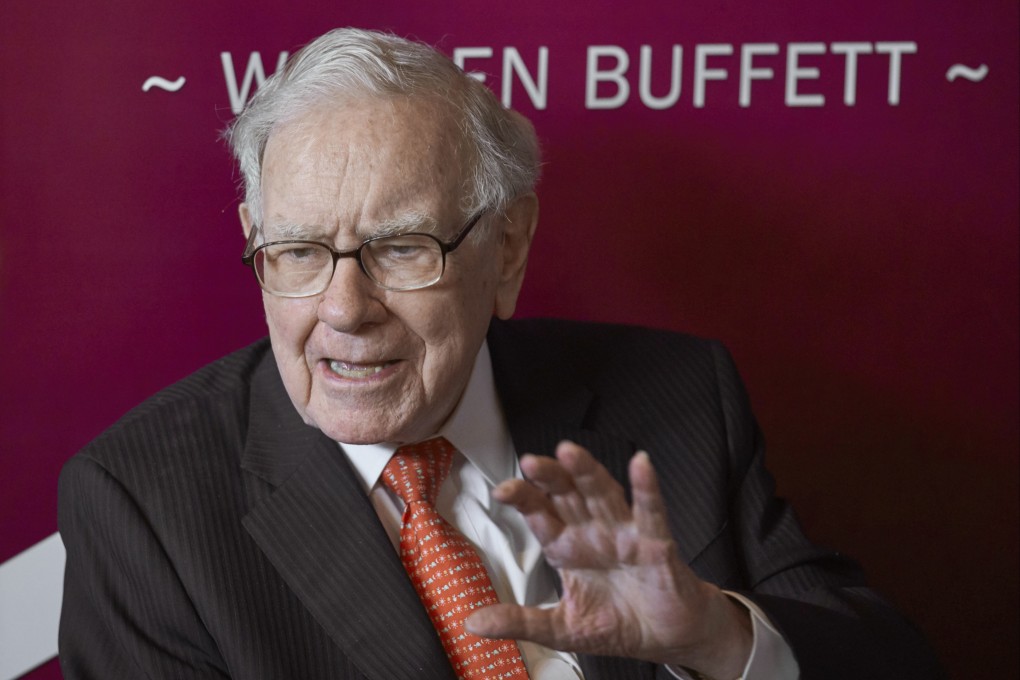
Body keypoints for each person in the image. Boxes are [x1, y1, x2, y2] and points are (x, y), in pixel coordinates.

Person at [58, 27, 942, 680]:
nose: (342, 310)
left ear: (508, 248)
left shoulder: (681, 400)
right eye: (296, 253)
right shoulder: (146, 504)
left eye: (403, 248)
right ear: (255, 239)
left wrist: (713, 635)